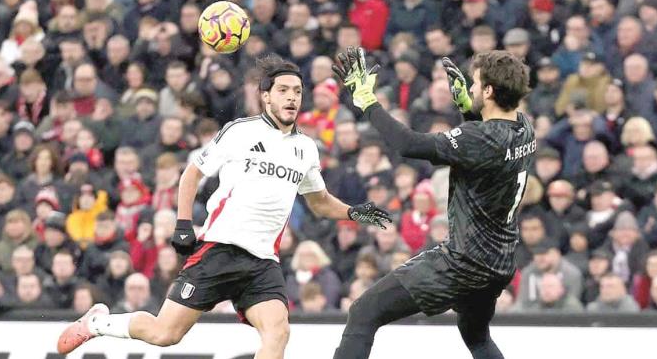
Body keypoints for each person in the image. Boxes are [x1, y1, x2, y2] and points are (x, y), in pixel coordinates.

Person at [57, 55, 391, 358]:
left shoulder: (306, 148)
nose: (292, 97)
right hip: (220, 249)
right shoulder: (239, 131)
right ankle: (98, 323)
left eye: (298, 91)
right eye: (284, 90)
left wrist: (353, 212)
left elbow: (319, 202)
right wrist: (183, 223)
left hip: (263, 261)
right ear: (266, 96)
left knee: (278, 332)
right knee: (165, 334)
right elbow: (192, 173)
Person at [332, 48, 532, 359]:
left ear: (490, 91)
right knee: (477, 338)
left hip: (464, 263)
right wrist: (469, 109)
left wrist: (367, 102)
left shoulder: (478, 138)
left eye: (476, 84)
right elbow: (487, 146)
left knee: (363, 312)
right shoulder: (524, 128)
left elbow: (409, 145)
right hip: (500, 263)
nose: (472, 88)